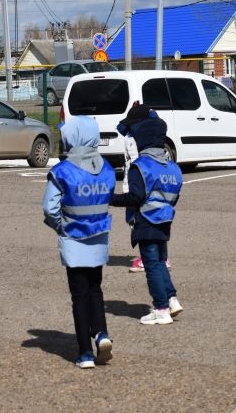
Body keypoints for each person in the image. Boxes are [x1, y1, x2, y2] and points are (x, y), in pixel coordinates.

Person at [43, 116, 116, 369]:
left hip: (74, 238)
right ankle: (102, 334)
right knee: (96, 289)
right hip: (99, 238)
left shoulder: (62, 171)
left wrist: (60, 226)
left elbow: (49, 208)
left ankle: (85, 352)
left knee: (79, 295)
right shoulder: (106, 167)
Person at [110, 115, 183, 324]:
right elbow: (175, 195)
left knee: (151, 265)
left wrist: (111, 198)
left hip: (146, 220)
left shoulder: (141, 166)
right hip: (165, 220)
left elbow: (135, 196)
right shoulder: (172, 167)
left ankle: (160, 309)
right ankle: (171, 299)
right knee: (160, 262)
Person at [117, 103, 172, 274]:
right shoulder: (138, 132)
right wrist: (138, 112)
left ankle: (151, 257)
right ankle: (160, 256)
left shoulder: (140, 138)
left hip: (138, 178)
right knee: (145, 218)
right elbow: (121, 127)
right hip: (138, 176)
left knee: (138, 218)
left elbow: (135, 159)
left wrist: (149, 113)